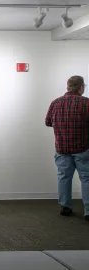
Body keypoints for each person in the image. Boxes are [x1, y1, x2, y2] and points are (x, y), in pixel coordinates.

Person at [45, 75, 89, 221]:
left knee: (64, 178)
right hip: (83, 148)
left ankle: (65, 207)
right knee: (87, 179)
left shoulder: (55, 103)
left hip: (62, 148)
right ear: (81, 87)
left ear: (68, 86)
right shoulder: (86, 103)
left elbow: (48, 122)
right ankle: (88, 211)